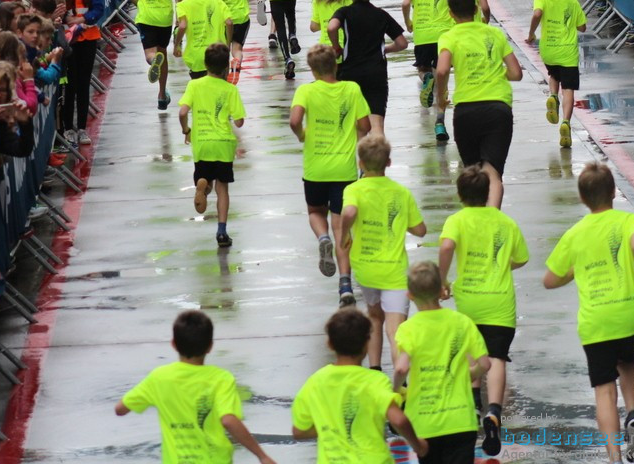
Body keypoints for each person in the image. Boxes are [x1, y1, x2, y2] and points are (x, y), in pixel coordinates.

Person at [543, 161, 634, 464]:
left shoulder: (575, 234)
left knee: (604, 390)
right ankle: (633, 414)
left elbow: (549, 280)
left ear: (583, 198)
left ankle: (614, 457)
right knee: (627, 363)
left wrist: (574, 271)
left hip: (596, 322)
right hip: (630, 313)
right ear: (613, 192)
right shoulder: (628, 221)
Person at [438, 165, 528, 456]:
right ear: (488, 192)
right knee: (498, 357)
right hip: (500, 301)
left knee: (471, 351)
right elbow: (521, 259)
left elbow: (448, 245)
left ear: (460, 194)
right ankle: (494, 412)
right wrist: (501, 265)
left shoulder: (456, 220)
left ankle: (475, 401)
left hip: (470, 299)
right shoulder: (505, 222)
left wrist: (441, 279)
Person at [115, 310, 275, 464]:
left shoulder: (158, 377)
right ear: (210, 346)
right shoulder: (221, 379)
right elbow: (228, 420)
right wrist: (261, 456)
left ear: (174, 344)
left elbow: (120, 409)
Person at [289, 45, 371, 307]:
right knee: (342, 229)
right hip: (344, 170)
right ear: (336, 64)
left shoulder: (306, 91)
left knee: (315, 212)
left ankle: (321, 237)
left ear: (312, 70)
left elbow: (294, 120)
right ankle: (345, 285)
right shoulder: (351, 89)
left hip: (316, 167)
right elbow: (365, 126)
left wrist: (303, 135)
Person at [292, 308, 427, 461]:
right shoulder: (375, 380)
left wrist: (332, 425)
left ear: (330, 344)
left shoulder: (315, 382)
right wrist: (418, 446)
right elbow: (398, 420)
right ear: (366, 342)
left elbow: (299, 431)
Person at [393, 261, 491, 464]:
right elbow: (485, 364)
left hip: (426, 423)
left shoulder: (408, 328)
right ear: (441, 290)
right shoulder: (462, 322)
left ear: (409, 295)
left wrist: (394, 389)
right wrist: (469, 374)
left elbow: (402, 367)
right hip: (461, 421)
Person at [339, 134, 426, 361]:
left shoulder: (353, 190)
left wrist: (343, 235)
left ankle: (376, 369)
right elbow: (420, 230)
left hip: (366, 268)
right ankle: (401, 381)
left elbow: (349, 212)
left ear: (360, 163)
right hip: (394, 271)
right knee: (396, 330)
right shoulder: (401, 193)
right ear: (388, 163)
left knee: (374, 317)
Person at [435, 0, 522, 208]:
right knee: (493, 173)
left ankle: (476, 221)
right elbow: (516, 73)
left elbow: (443, 70)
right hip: (498, 107)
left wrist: (441, 97)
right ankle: (492, 219)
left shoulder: (449, 37)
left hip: (466, 110)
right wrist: (494, 73)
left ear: (451, 13)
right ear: (475, 9)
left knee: (473, 173)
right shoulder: (494, 34)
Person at [178, 43, 245, 247]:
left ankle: (203, 185)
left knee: (204, 175)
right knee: (222, 189)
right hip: (223, 144)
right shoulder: (230, 89)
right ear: (225, 68)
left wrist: (186, 130)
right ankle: (222, 232)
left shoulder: (194, 85)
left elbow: (182, 112)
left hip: (203, 143)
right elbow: (240, 121)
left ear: (205, 64)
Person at [329, 0, 409, 134]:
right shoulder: (381, 15)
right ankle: (379, 157)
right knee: (376, 124)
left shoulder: (344, 12)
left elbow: (331, 27)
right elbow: (402, 43)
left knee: (355, 124)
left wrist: (336, 45)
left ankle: (360, 158)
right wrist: (385, 49)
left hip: (350, 73)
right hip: (376, 73)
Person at [526, 0, 587, 148]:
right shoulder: (572, 2)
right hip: (568, 52)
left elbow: (537, 13)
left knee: (553, 75)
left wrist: (531, 34)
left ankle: (552, 95)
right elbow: (582, 27)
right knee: (568, 89)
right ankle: (566, 122)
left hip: (549, 50)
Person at [125, 0, 184, 109]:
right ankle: (162, 93)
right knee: (162, 52)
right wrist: (180, 7)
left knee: (150, 53)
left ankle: (152, 61)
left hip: (146, 17)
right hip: (164, 18)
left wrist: (140, 4)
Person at [52, 0, 104, 144]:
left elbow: (99, 7)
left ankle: (82, 127)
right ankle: (67, 127)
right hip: (66, 41)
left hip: (88, 38)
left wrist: (82, 18)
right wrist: (67, 20)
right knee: (69, 85)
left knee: (83, 83)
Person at [403, 0, 454, 125]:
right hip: (444, 36)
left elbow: (405, 3)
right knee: (442, 72)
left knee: (423, 68)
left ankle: (426, 78)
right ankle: (441, 117)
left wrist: (408, 22)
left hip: (423, 34)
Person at [173, 0, 232, 80]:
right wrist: (227, 44)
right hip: (218, 53)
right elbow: (229, 23)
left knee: (201, 91)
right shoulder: (218, 2)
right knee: (220, 90)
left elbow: (183, 25)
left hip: (197, 56)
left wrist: (176, 45)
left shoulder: (182, 5)